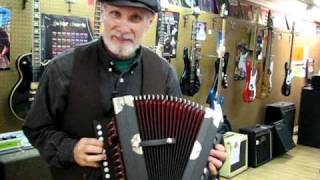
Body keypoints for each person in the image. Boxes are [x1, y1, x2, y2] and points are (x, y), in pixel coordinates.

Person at [23, 0, 227, 179]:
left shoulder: (163, 72)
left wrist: (210, 151)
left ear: (150, 21)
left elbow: (184, 133)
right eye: (115, 14)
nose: (123, 27)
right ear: (102, 12)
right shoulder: (63, 68)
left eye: (135, 18)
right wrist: (71, 149)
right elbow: (36, 128)